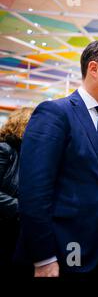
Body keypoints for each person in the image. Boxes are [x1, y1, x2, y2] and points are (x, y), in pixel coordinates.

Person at [16, 41, 98, 277]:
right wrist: (44, 257)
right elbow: (34, 191)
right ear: (94, 69)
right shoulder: (55, 113)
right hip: (62, 252)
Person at [0, 107, 33, 275]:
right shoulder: (5, 149)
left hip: (22, 231)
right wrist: (22, 207)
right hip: (6, 230)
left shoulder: (31, 154)